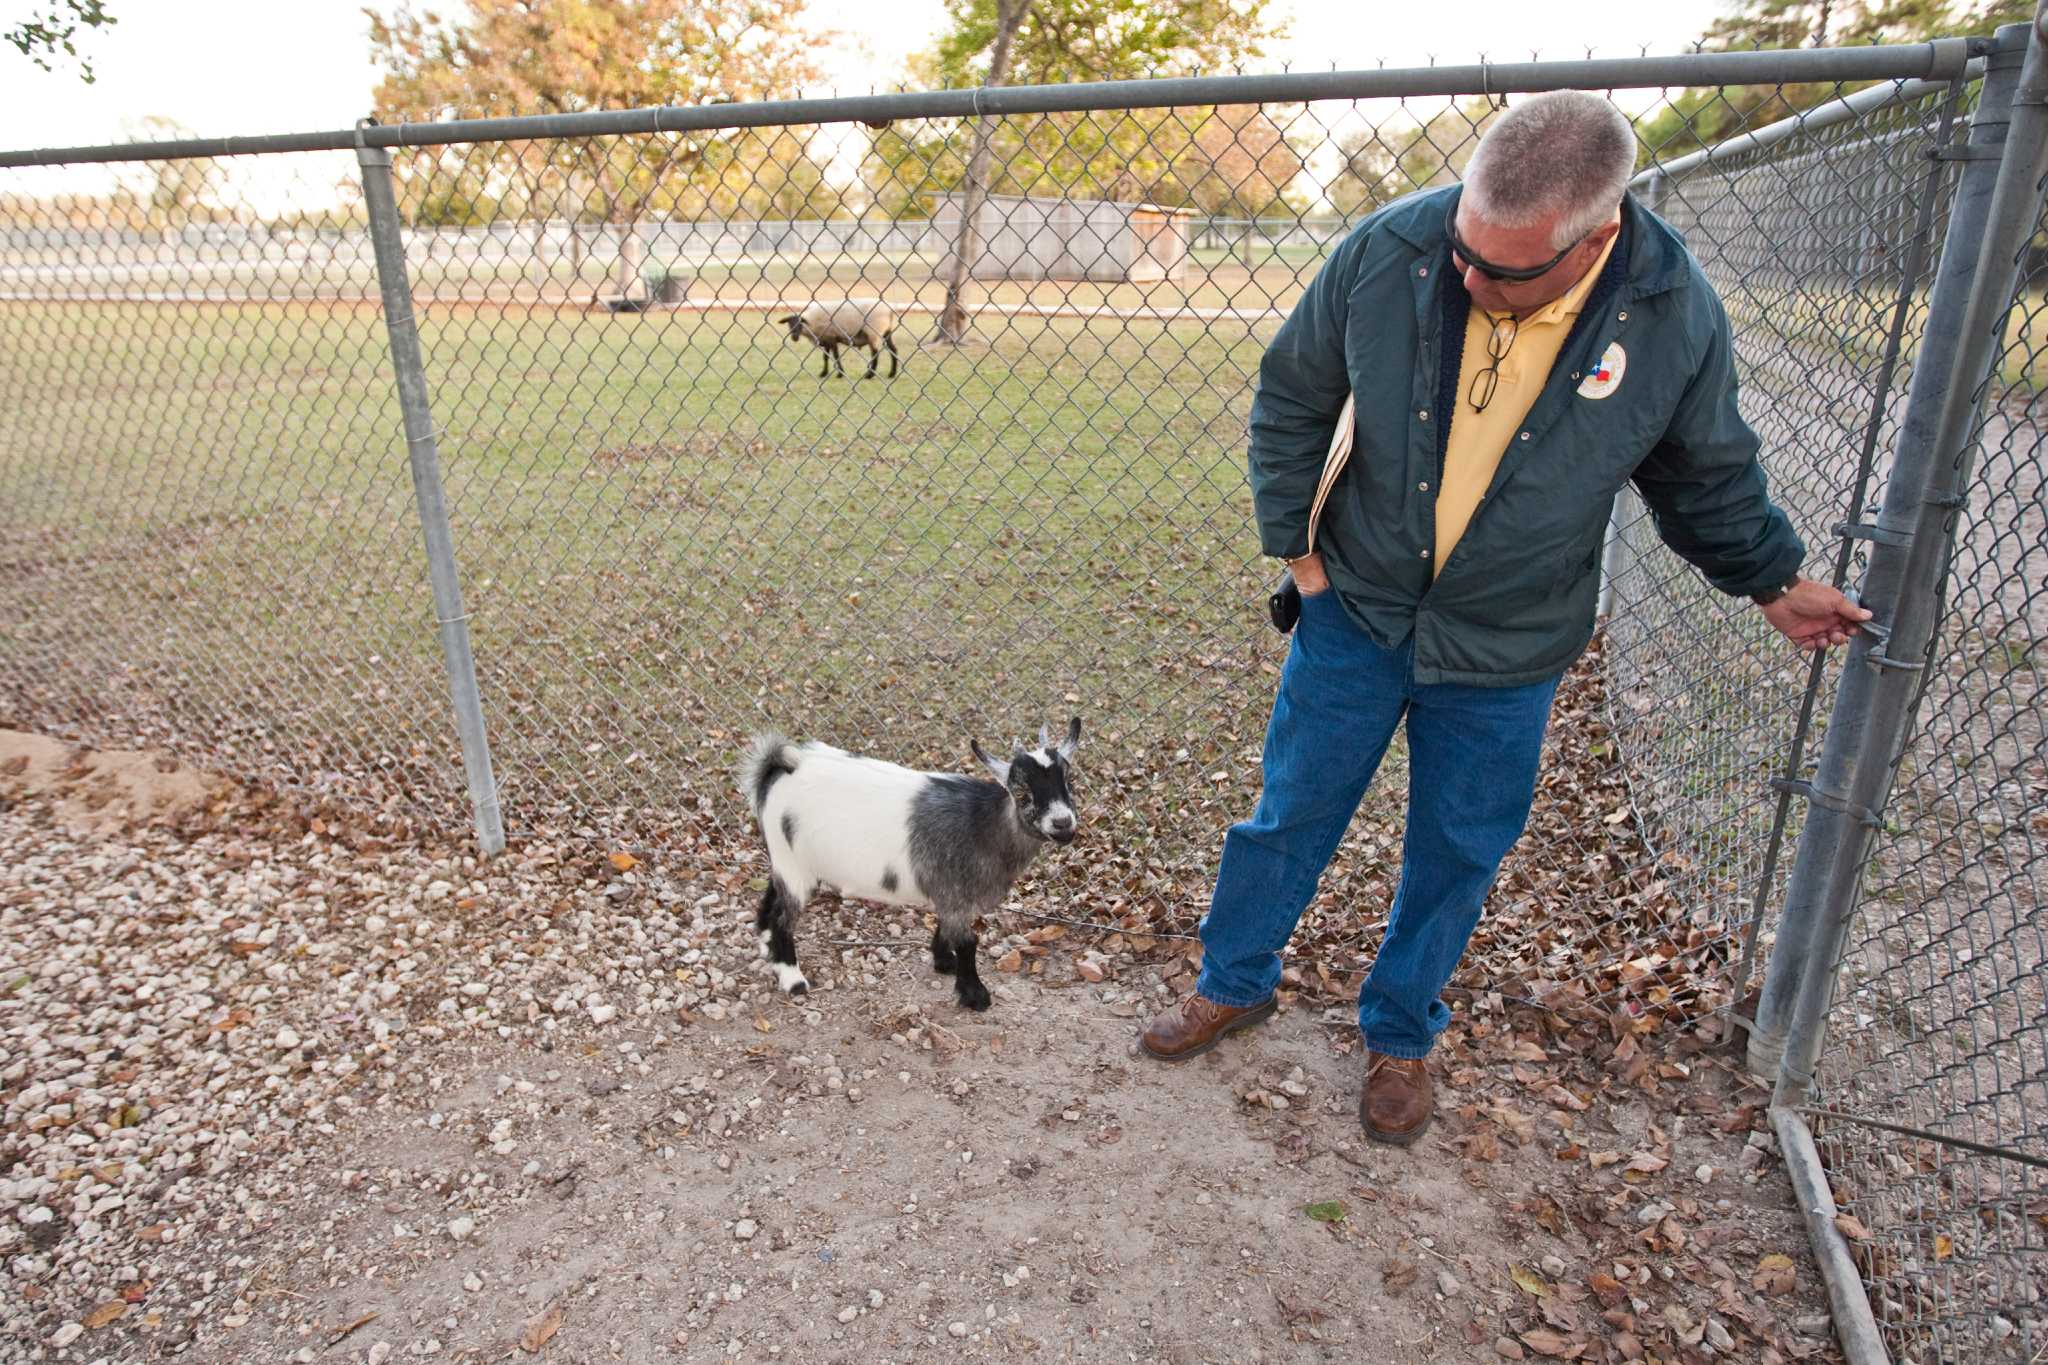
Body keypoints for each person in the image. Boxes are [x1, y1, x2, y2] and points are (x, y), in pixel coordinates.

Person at [1137, 91, 1871, 1145]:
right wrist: (1299, 557)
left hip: (1510, 642)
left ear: (1596, 238)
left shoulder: (1669, 310)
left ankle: (1400, 1031)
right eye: (1463, 249)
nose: (1469, 278)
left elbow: (1702, 473)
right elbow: (1292, 394)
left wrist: (1770, 579)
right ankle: (1231, 980)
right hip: (1356, 608)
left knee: (1457, 848)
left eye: (1504, 271)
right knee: (1288, 812)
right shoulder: (1392, 248)